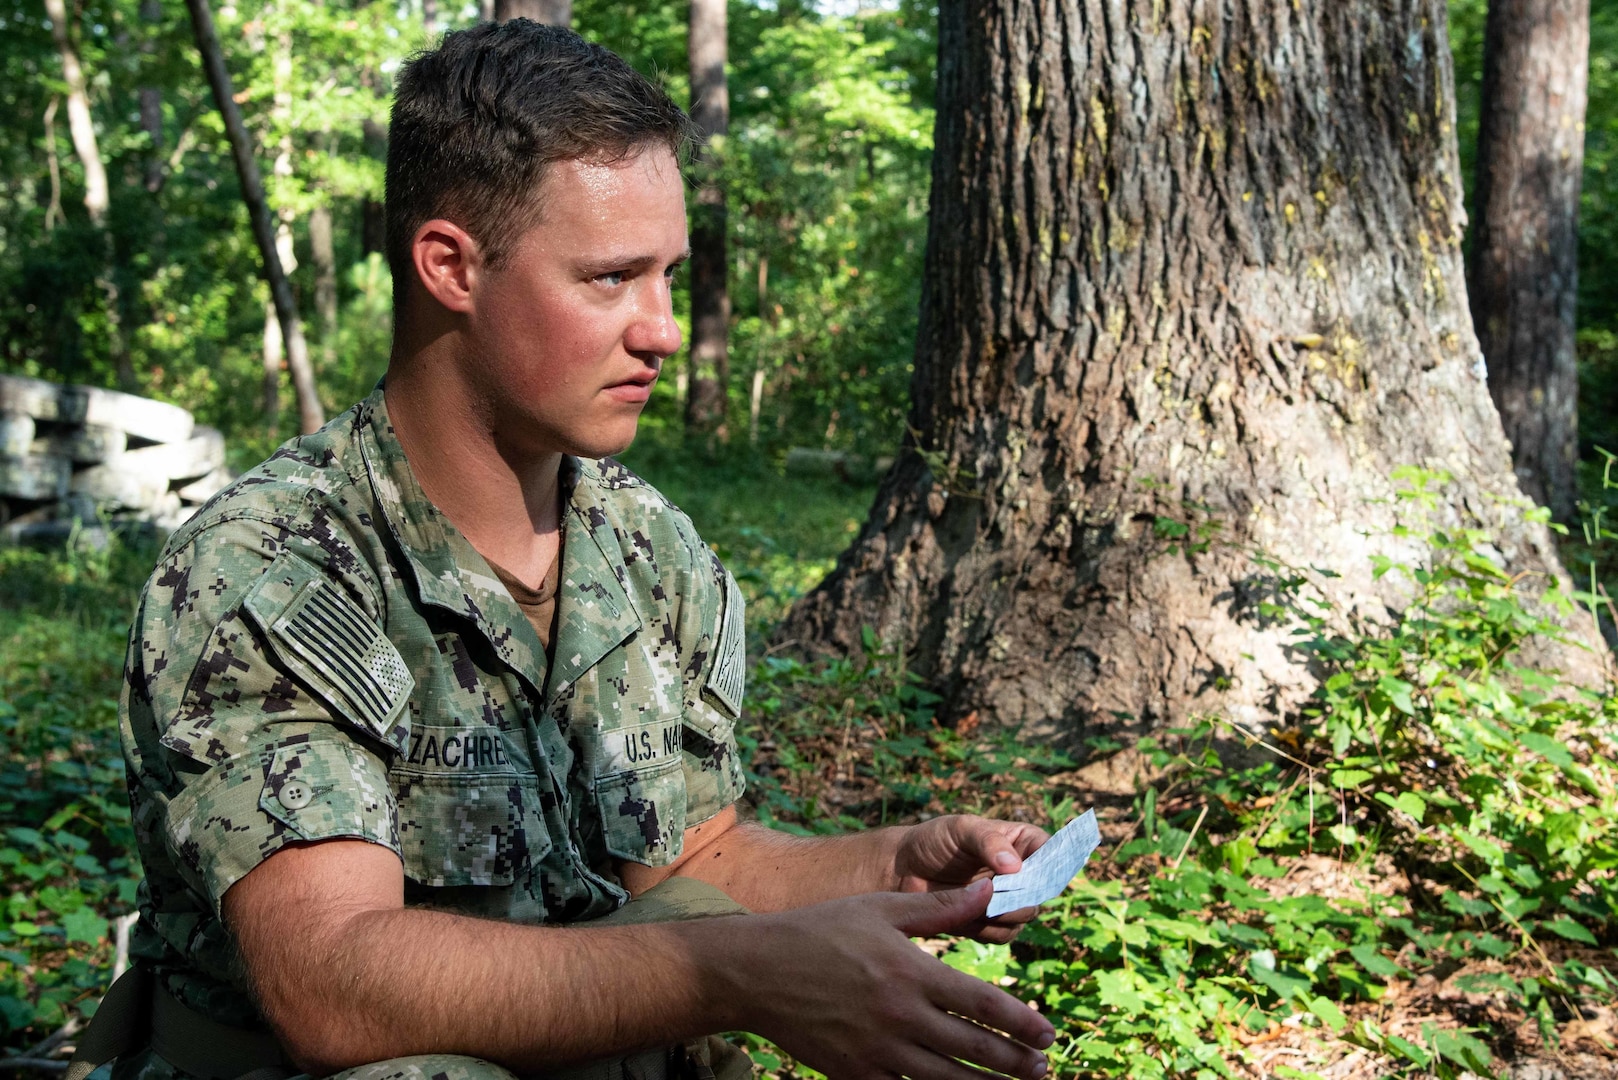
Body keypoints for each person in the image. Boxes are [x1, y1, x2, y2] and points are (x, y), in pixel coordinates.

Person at [114, 20, 1055, 1080]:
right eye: (610, 278)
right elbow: (334, 983)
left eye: (668, 276)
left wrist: (893, 863)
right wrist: (735, 975)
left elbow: (691, 863)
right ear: (448, 268)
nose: (659, 327)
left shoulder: (645, 545)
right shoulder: (275, 567)